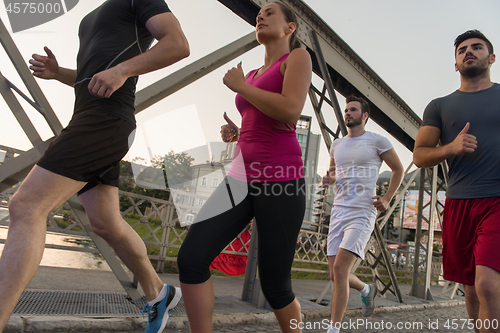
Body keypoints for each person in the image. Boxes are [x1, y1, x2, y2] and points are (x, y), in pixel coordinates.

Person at [0, 1, 189, 332]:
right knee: (106, 223)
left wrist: (122, 71)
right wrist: (58, 73)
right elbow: (92, 76)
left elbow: (177, 44)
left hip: (106, 119)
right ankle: (158, 292)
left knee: (27, 205)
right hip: (92, 117)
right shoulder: (92, 16)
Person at [176, 1, 312, 332]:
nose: (260, 16)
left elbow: (291, 111)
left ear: (289, 28)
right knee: (191, 260)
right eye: (259, 13)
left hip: (280, 180)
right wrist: (237, 134)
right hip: (239, 178)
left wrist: (242, 88)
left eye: (270, 13)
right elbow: (261, 121)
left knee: (276, 286)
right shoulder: (251, 73)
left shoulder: (297, 57)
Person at [413, 30, 499, 333]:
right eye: (462, 49)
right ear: (455, 64)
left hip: (497, 201)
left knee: (487, 284)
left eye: (477, 47)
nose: (469, 52)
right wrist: (451, 147)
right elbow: (420, 156)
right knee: (472, 290)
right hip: (459, 202)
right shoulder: (439, 106)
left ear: (491, 58)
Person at [322, 96, 404, 333]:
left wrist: (387, 198)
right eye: (346, 110)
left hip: (362, 212)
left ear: (365, 115)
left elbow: (398, 169)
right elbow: (335, 173)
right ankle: (366, 289)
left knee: (340, 270)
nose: (348, 113)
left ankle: (333, 329)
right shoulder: (337, 144)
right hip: (339, 211)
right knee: (334, 273)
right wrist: (330, 179)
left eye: (353, 109)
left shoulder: (377, 141)